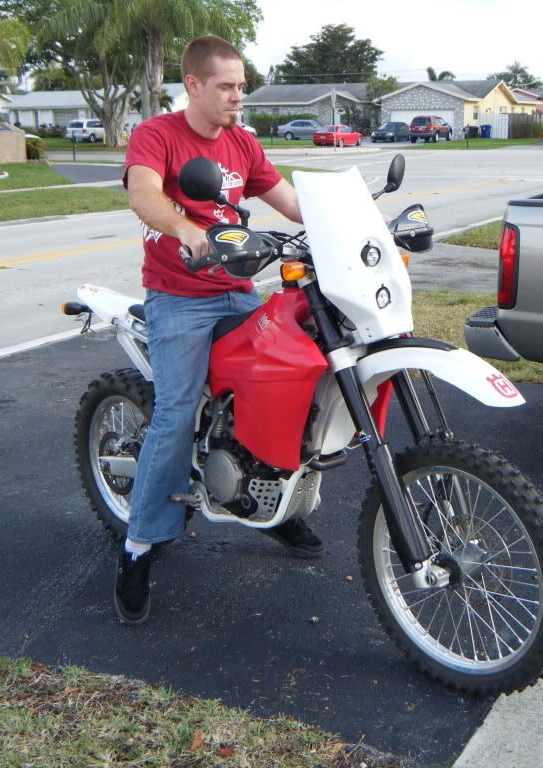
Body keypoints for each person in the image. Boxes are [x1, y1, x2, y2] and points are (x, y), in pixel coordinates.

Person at [116, 35, 323, 625]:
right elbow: (144, 194)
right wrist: (187, 233)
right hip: (178, 297)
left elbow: (287, 199)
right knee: (177, 412)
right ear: (196, 87)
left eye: (242, 85)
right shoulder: (157, 135)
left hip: (236, 288)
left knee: (290, 375)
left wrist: (358, 224)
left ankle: (270, 507)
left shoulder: (242, 143)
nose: (239, 96)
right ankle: (139, 545)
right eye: (228, 86)